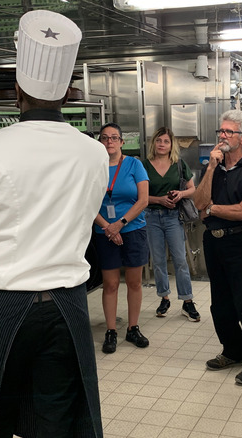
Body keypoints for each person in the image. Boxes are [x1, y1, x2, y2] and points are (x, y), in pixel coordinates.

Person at [0, 10, 105, 437]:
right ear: (68, 95)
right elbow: (85, 216)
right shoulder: (93, 153)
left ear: (16, 91)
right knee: (58, 422)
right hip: (68, 305)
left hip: (3, 304)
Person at [194, 109, 242, 386]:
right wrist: (211, 168)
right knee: (220, 305)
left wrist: (212, 208)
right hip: (213, 242)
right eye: (221, 131)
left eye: (229, 132)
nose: (223, 136)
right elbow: (198, 203)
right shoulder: (212, 166)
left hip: (240, 243)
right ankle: (232, 351)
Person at [94, 122, 150, 354]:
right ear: (100, 141)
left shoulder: (134, 165)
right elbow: (86, 202)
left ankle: (133, 327)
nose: (109, 142)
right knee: (111, 284)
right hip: (103, 231)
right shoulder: (93, 168)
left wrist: (120, 224)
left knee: (135, 282)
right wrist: (108, 227)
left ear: (121, 142)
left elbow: (143, 200)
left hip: (133, 230)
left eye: (114, 137)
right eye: (105, 138)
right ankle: (111, 331)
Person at [143, 126, 200, 322]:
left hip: (173, 217)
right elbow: (139, 195)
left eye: (166, 141)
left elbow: (192, 188)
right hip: (151, 216)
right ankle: (164, 298)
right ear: (154, 143)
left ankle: (187, 301)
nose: (162, 144)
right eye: (159, 141)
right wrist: (158, 200)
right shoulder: (144, 165)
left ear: (171, 145)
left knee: (180, 259)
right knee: (158, 261)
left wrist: (180, 194)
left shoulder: (178, 164)